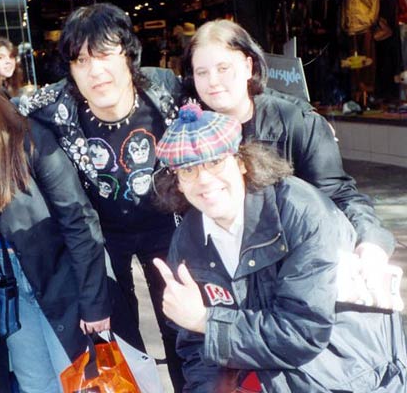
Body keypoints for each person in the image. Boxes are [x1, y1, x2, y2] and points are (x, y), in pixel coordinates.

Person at [151, 104, 407, 392]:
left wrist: (206, 321)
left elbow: (302, 333)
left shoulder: (302, 213)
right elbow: (197, 349)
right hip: (266, 370)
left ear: (241, 162)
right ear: (178, 182)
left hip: (347, 372)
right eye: (188, 169)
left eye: (216, 162)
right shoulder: (188, 241)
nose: (205, 179)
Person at [18, 3, 185, 390]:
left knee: (182, 332)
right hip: (102, 236)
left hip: (167, 226)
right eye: (81, 60)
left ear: (129, 55)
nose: (95, 71)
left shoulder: (167, 92)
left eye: (106, 54)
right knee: (120, 341)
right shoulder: (53, 107)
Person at [0, 42, 111, 393]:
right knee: (35, 385)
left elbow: (79, 220)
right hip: (7, 295)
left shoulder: (28, 137)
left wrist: (94, 301)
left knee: (86, 382)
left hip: (62, 281)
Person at [181, 19, 395, 273]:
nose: (213, 81)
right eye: (202, 72)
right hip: (224, 266)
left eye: (223, 68)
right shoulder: (189, 131)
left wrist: (369, 242)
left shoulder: (296, 122)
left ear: (248, 66)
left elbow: (338, 195)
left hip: (295, 261)